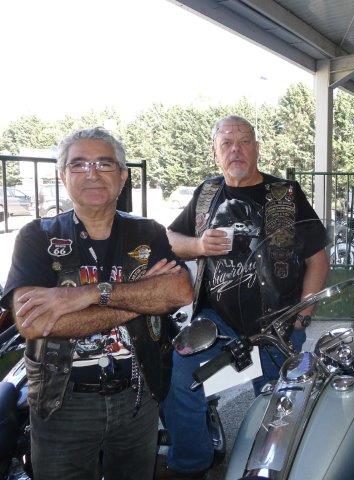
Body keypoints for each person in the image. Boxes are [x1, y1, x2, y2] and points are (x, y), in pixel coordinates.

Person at [0, 127, 194, 480]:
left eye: (104, 164)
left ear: (122, 176)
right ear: (63, 176)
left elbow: (179, 292)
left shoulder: (148, 232)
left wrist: (87, 294)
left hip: (138, 396)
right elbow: (34, 323)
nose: (92, 173)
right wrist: (145, 298)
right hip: (62, 402)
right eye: (78, 164)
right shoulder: (37, 236)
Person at [160, 115, 329, 478]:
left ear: (257, 148)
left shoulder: (285, 194)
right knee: (180, 379)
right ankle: (192, 463)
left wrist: (304, 314)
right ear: (215, 152)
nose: (235, 149)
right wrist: (198, 245)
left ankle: (272, 469)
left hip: (279, 321)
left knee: (280, 406)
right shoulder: (207, 193)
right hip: (215, 321)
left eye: (244, 141)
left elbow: (317, 258)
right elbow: (170, 240)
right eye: (227, 143)